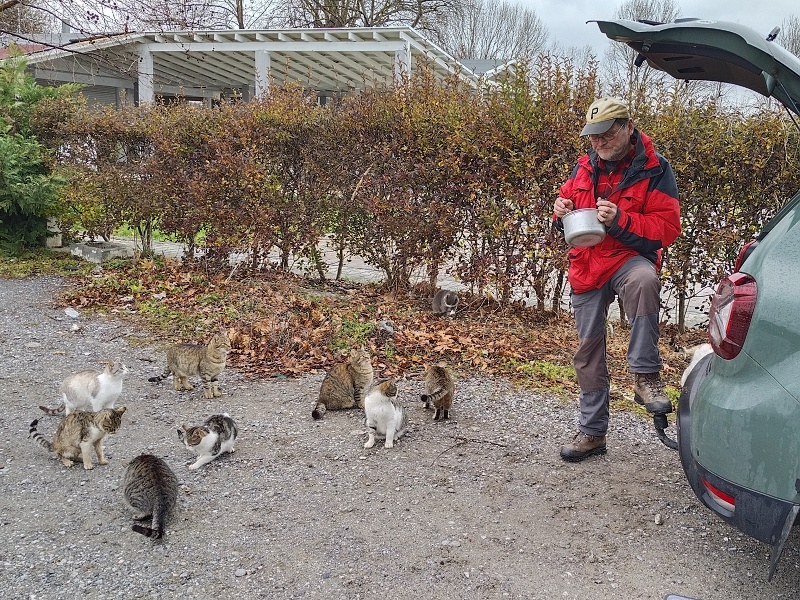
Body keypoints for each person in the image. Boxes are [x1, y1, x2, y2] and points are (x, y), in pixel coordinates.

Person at [553, 96, 681, 463]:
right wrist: (559, 212)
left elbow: (667, 228)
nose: (599, 143)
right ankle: (593, 432)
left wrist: (620, 219)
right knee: (588, 352)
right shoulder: (584, 167)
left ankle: (645, 376)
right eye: (593, 137)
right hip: (587, 263)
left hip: (627, 257)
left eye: (607, 135)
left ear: (628, 127)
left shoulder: (656, 169)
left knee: (644, 280)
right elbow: (564, 212)